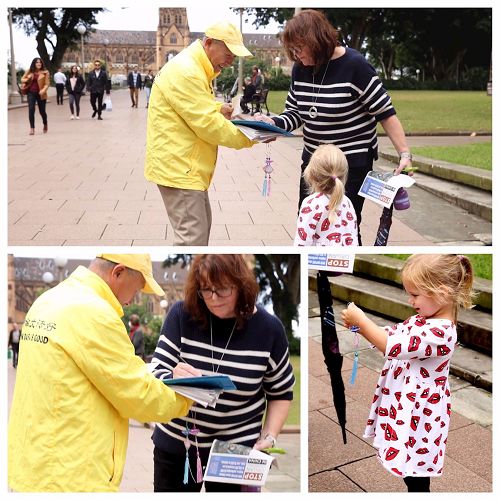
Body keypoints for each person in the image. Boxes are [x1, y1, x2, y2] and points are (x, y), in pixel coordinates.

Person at [8, 254, 192, 492]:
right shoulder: (96, 313)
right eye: (135, 290)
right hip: (73, 475)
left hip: (33, 464)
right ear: (118, 272)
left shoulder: (47, 300)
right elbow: (139, 397)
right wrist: (188, 394)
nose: (131, 301)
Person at [254, 10, 412, 244]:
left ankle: (345, 268)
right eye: (293, 51)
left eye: (300, 49)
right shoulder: (300, 69)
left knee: (345, 221)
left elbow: (385, 113)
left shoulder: (356, 66)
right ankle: (316, 274)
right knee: (308, 218)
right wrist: (273, 125)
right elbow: (295, 112)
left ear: (316, 41)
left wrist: (405, 154)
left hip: (350, 163)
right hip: (315, 163)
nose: (296, 57)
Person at [151, 254, 295, 492]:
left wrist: (269, 436)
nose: (213, 298)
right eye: (206, 290)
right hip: (180, 444)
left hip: (235, 451)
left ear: (240, 285)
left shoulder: (269, 330)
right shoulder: (181, 315)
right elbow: (157, 371)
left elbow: (281, 392)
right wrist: (172, 376)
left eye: (222, 290)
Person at [341, 254, 475, 492]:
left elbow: (392, 345)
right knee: (408, 465)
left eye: (415, 294)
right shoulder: (423, 319)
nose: (410, 300)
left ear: (442, 293)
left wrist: (362, 323)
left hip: (420, 412)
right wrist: (363, 329)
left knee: (415, 471)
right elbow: (393, 334)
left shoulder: (442, 332)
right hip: (405, 403)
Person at [145, 21, 257, 246]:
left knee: (199, 231)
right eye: (228, 53)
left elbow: (191, 106)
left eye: (234, 56)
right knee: (192, 239)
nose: (230, 61)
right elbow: (206, 124)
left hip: (186, 166)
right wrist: (252, 135)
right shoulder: (188, 70)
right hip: (180, 167)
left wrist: (217, 108)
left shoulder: (195, 67)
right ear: (208, 44)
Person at [295, 144, 358, 246]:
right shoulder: (347, 202)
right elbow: (353, 237)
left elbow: (302, 242)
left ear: (311, 175)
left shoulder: (311, 204)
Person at [21, 57, 50, 135]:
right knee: (31, 109)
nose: (38, 63)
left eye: (40, 62)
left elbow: (47, 84)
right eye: (37, 62)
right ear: (34, 63)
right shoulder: (30, 71)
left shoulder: (45, 72)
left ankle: (45, 124)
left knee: (42, 111)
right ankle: (32, 128)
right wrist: (28, 79)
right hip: (31, 93)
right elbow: (22, 79)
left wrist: (43, 90)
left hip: (41, 93)